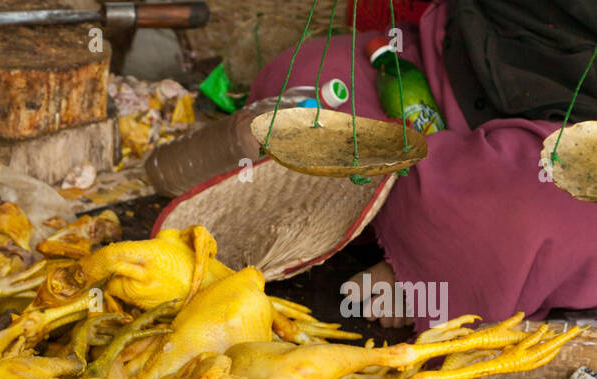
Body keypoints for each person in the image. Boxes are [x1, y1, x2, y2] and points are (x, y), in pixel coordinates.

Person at [250, 0, 597, 330]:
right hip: (456, 69)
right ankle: (428, 235)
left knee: (528, 213)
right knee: (305, 84)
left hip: (568, 140)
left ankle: (423, 261)